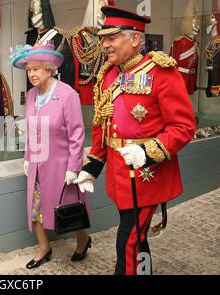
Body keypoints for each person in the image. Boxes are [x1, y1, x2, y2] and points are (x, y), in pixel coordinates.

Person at [73, 6, 196, 275]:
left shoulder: (161, 72)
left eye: (111, 37)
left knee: (127, 242)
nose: (104, 44)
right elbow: (103, 126)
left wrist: (147, 152)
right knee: (138, 239)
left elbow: (184, 126)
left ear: (135, 39)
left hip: (147, 177)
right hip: (120, 177)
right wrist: (92, 166)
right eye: (103, 38)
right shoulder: (107, 75)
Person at [11, 43, 91, 269]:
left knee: (67, 206)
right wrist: (27, 157)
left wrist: (73, 167)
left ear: (49, 69)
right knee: (35, 208)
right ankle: (44, 248)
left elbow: (77, 134)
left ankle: (83, 240)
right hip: (37, 164)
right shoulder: (30, 95)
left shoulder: (67, 95)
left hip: (61, 165)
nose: (32, 74)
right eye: (29, 70)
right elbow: (30, 130)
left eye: (37, 69)